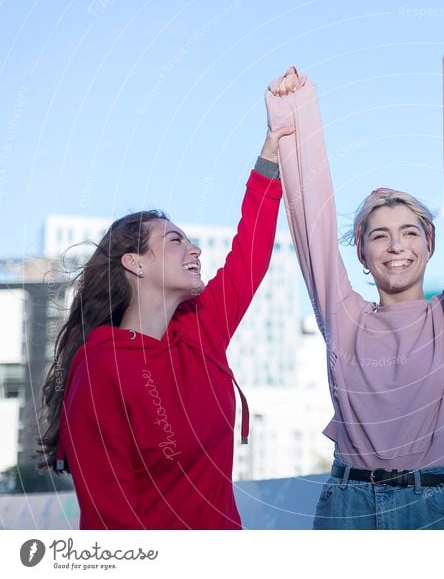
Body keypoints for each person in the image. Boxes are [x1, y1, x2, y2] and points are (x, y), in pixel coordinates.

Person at [36, 88, 294, 529]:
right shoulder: (100, 369)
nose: (194, 249)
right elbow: (109, 516)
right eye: (175, 240)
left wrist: (273, 148)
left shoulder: (200, 329)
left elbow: (249, 253)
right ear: (134, 263)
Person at [266, 40, 444, 529]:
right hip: (348, 506)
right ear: (364, 254)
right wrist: (295, 114)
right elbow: (312, 227)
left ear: (431, 245)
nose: (397, 246)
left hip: (430, 509)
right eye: (381, 236)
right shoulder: (344, 318)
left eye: (411, 233)